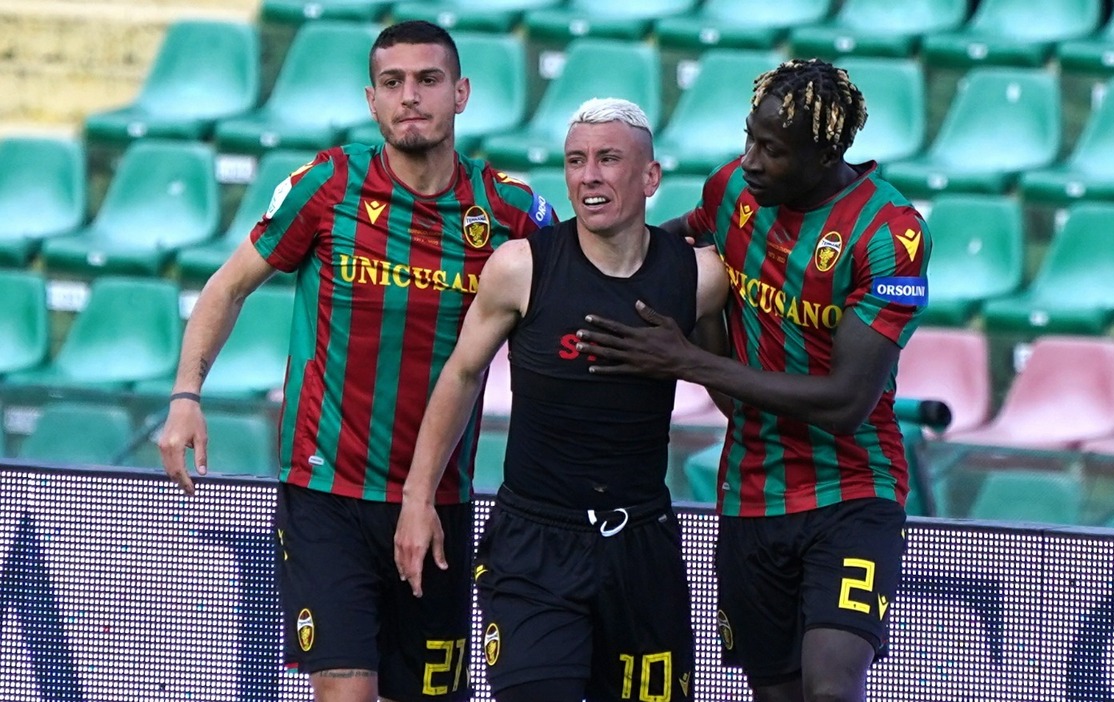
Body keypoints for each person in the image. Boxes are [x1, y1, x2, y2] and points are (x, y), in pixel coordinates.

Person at [157, 20, 554, 702]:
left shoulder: (508, 210)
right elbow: (228, 287)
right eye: (393, 83)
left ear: (460, 93)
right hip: (327, 496)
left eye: (428, 81)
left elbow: (595, 275)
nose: (410, 97)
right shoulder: (329, 185)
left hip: (440, 501)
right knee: (344, 691)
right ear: (372, 101)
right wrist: (186, 394)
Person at [575, 59, 933, 702]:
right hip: (750, 493)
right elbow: (662, 249)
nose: (751, 161)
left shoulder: (890, 234)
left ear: (826, 154)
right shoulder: (731, 195)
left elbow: (847, 402)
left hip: (850, 487)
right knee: (776, 690)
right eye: (749, 138)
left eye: (772, 149)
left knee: (830, 684)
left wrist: (687, 359)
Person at [393, 97, 728, 702]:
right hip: (534, 543)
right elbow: (463, 374)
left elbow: (732, 397)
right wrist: (418, 498)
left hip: (641, 544)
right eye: (576, 161)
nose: (589, 176)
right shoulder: (521, 267)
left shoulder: (699, 278)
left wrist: (690, 360)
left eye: (608, 159)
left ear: (650, 177)